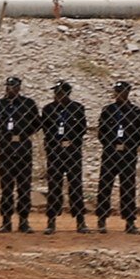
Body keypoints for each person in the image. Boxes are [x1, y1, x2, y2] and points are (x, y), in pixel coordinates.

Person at [0, 76, 42, 233]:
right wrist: (0, 136)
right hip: (6, 147)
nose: (10, 89)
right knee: (6, 187)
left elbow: (37, 123)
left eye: (14, 86)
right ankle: (6, 221)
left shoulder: (28, 104)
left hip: (22, 147)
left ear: (19, 88)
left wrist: (25, 134)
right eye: (8, 86)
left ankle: (24, 221)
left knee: (24, 186)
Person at [38, 80, 89, 232]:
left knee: (75, 185)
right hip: (55, 152)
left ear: (67, 93)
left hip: (72, 152)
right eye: (56, 93)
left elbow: (82, 129)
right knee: (54, 186)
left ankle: (80, 220)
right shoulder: (49, 109)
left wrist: (71, 141)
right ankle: (51, 220)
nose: (57, 96)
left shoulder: (77, 108)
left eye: (60, 93)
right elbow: (46, 129)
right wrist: (54, 143)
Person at [96, 81, 140, 233]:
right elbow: (101, 132)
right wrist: (111, 145)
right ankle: (102, 219)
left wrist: (128, 146)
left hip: (128, 154)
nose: (118, 94)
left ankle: (130, 220)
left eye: (121, 91)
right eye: (116, 91)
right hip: (110, 153)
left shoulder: (136, 112)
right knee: (105, 185)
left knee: (128, 186)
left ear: (128, 92)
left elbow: (139, 134)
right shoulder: (108, 110)